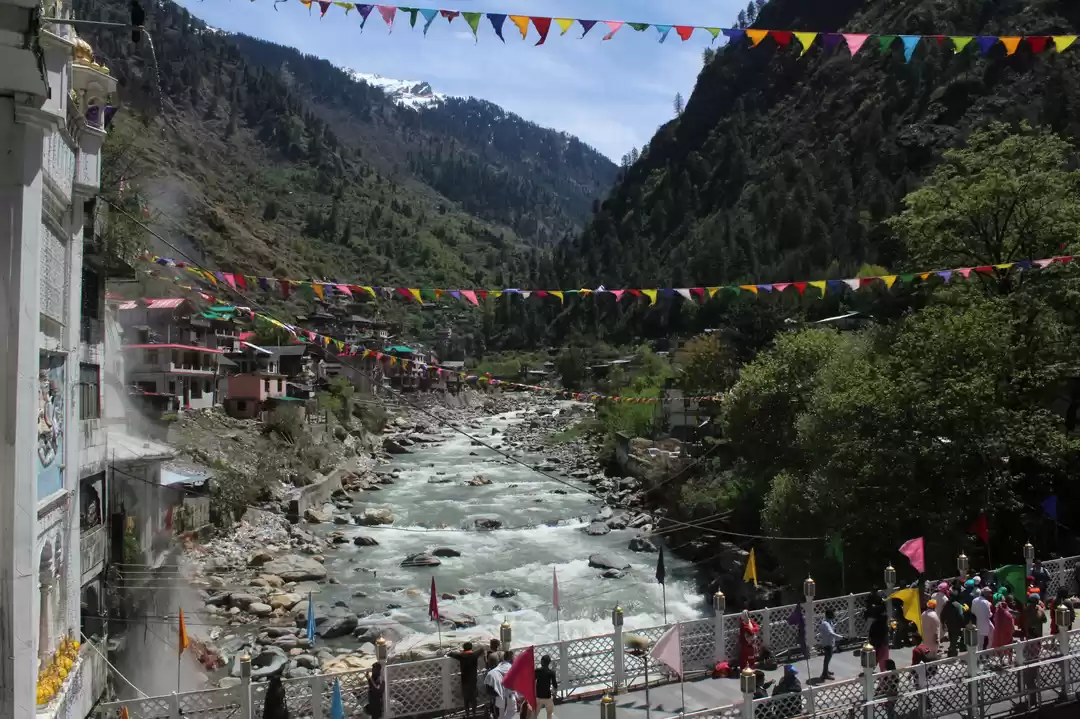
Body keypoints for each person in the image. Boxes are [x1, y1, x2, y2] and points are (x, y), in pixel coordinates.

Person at [449, 642, 481, 718]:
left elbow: (451, 654)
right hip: (473, 680)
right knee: (473, 698)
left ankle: (467, 715)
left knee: (466, 699)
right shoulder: (474, 655)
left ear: (464, 648)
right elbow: (481, 650)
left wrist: (461, 652)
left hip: (465, 681)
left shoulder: (461, 656)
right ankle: (474, 714)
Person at [484, 652, 519, 719]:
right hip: (508, 697)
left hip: (499, 698)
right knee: (510, 712)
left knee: (501, 714)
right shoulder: (510, 668)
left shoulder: (495, 669)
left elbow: (488, 690)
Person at [818, 608, 843, 681]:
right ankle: (824, 674)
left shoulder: (829, 622)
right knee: (827, 658)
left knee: (828, 658)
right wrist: (840, 637)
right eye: (833, 614)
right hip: (827, 644)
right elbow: (830, 633)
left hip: (829, 643)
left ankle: (826, 670)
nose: (834, 615)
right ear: (829, 615)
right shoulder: (825, 624)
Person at [534, 655, 558, 719]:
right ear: (549, 663)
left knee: (535, 714)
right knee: (549, 715)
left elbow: (532, 680)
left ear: (542, 662)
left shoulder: (537, 671)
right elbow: (555, 685)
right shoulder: (551, 673)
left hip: (538, 697)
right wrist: (554, 693)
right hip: (547, 697)